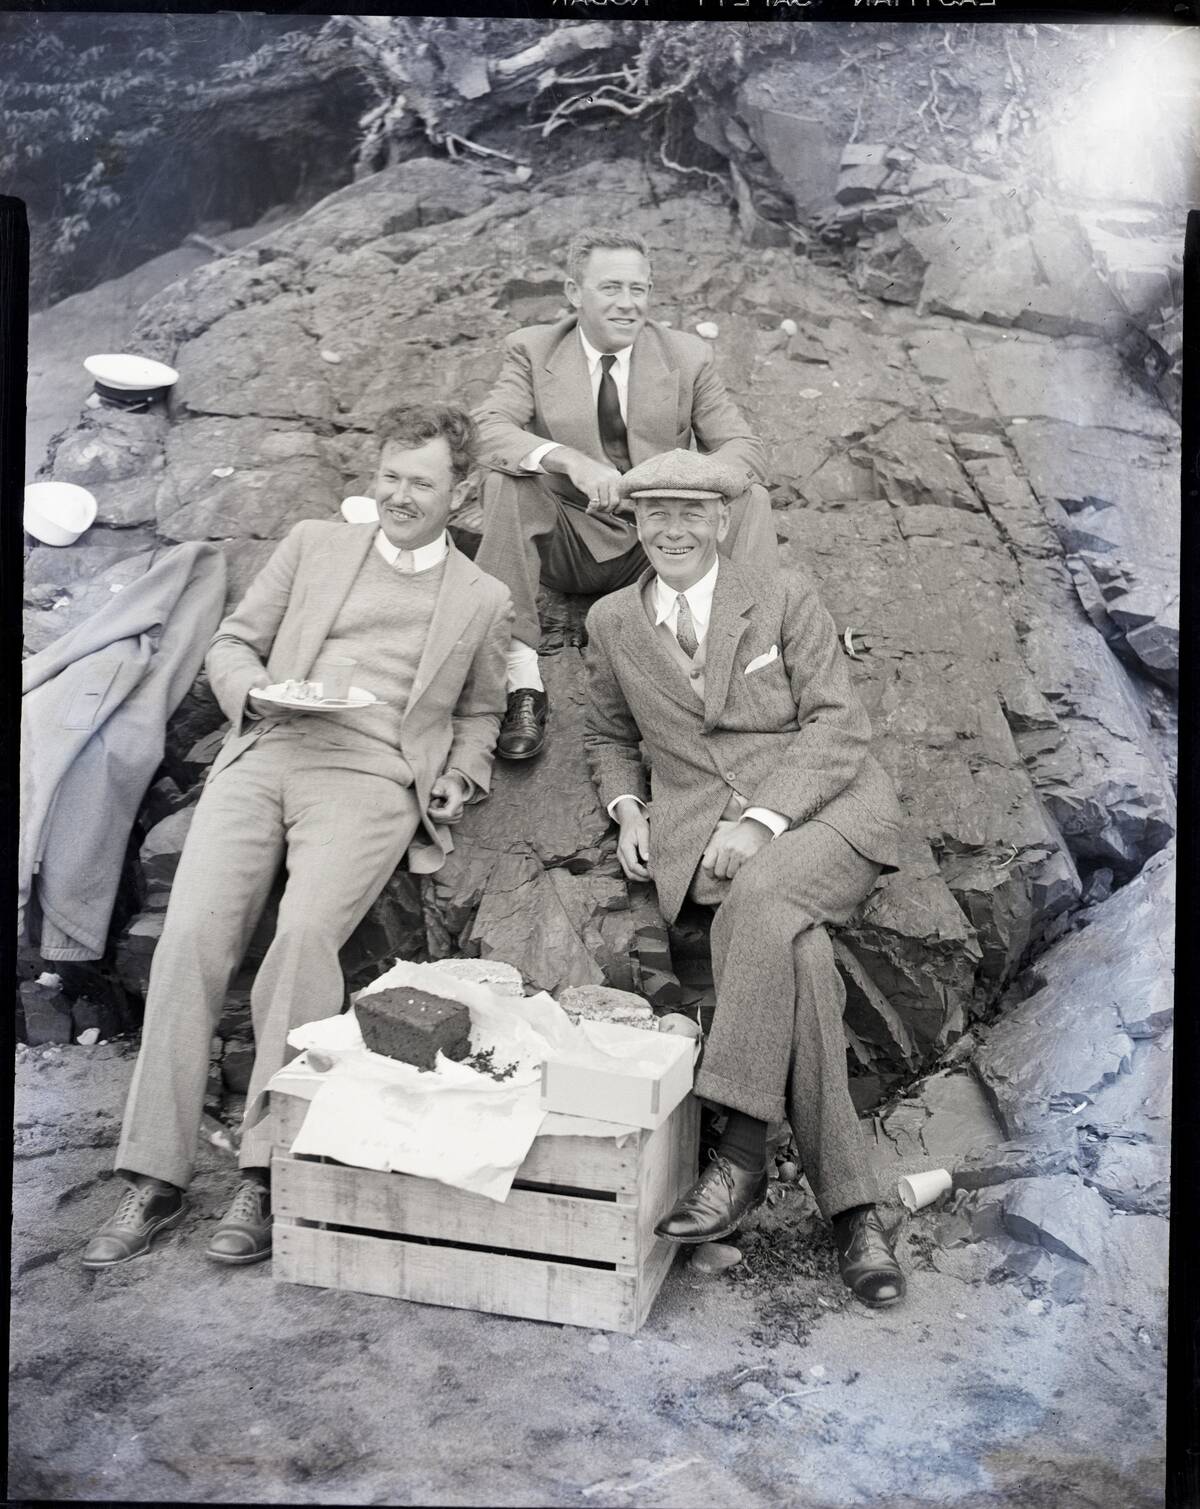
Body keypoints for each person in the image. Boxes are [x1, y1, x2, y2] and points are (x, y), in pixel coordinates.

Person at [82, 403, 513, 1270]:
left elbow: (482, 707)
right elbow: (234, 641)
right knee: (193, 936)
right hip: (269, 746)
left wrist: (460, 773)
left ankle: (264, 1169)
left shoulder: (482, 596)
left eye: (419, 484)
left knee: (305, 935)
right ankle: (153, 1175)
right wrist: (256, 696)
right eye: (388, 477)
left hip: (371, 778)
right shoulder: (316, 544)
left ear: (458, 493)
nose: (397, 496)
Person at [583, 449, 908, 1306]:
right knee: (799, 961)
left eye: (692, 512)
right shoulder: (613, 622)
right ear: (636, 523)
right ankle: (856, 1215)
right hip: (701, 843)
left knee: (764, 895)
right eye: (656, 513)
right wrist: (627, 809)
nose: (674, 528)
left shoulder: (782, 592)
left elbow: (842, 725)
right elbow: (608, 736)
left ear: (723, 521)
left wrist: (763, 819)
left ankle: (739, 1151)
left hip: (827, 817)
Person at [473, 226, 778, 762]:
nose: (628, 303)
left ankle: (746, 664)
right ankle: (522, 683)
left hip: (660, 541)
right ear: (574, 292)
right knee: (506, 481)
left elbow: (742, 445)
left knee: (751, 500)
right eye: (610, 288)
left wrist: (677, 481)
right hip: (572, 539)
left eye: (638, 289)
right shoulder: (532, 348)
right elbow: (488, 428)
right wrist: (568, 459)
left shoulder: (687, 354)